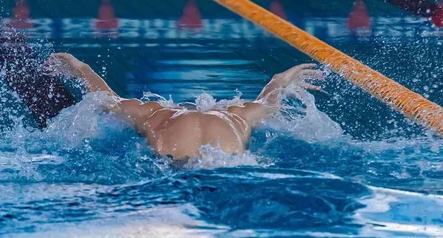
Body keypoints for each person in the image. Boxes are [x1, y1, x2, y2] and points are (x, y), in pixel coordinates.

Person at [46, 53, 323, 160]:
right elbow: (269, 102)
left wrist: (82, 68)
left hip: (170, 167)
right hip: (227, 165)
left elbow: (107, 99)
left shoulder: (154, 113)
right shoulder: (237, 115)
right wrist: (281, 80)